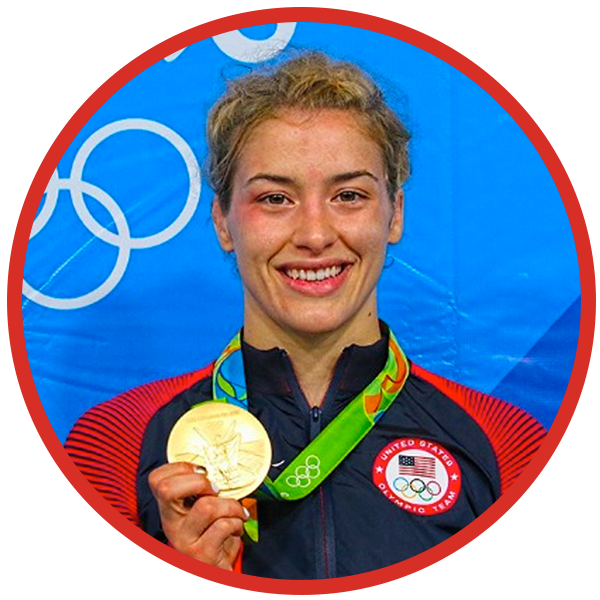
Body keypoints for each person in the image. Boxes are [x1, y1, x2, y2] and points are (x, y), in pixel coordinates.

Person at [65, 51, 546, 579]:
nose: (315, 235)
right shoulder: (117, 442)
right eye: (275, 198)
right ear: (223, 222)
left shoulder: (506, 444)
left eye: (349, 195)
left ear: (395, 215)